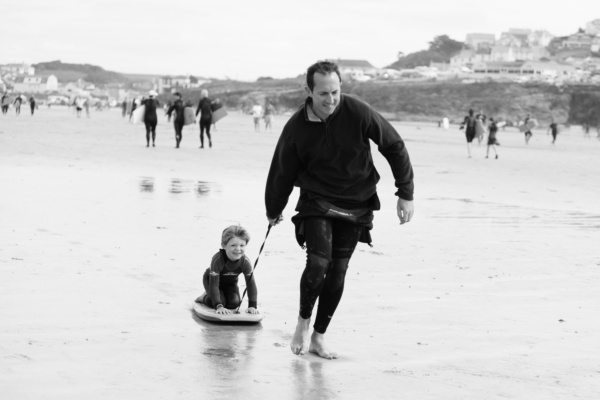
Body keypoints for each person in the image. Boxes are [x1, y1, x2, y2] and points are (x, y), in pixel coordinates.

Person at [264, 60, 414, 360]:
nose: (331, 100)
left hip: (357, 201)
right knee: (319, 263)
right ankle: (303, 323)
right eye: (323, 94)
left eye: (335, 92)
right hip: (317, 199)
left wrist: (405, 193)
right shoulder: (296, 127)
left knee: (338, 271)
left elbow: (394, 145)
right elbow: (281, 170)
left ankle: (319, 337)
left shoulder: (357, 111)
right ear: (309, 91)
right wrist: (274, 208)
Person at [195, 225, 259, 315]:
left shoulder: (245, 262)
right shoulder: (217, 259)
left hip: (230, 283)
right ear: (224, 245)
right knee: (216, 302)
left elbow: (251, 284)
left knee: (234, 303)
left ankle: (221, 296)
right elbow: (214, 284)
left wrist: (252, 306)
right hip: (211, 281)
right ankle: (204, 297)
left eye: (242, 245)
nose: (238, 249)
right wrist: (219, 306)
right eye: (233, 245)